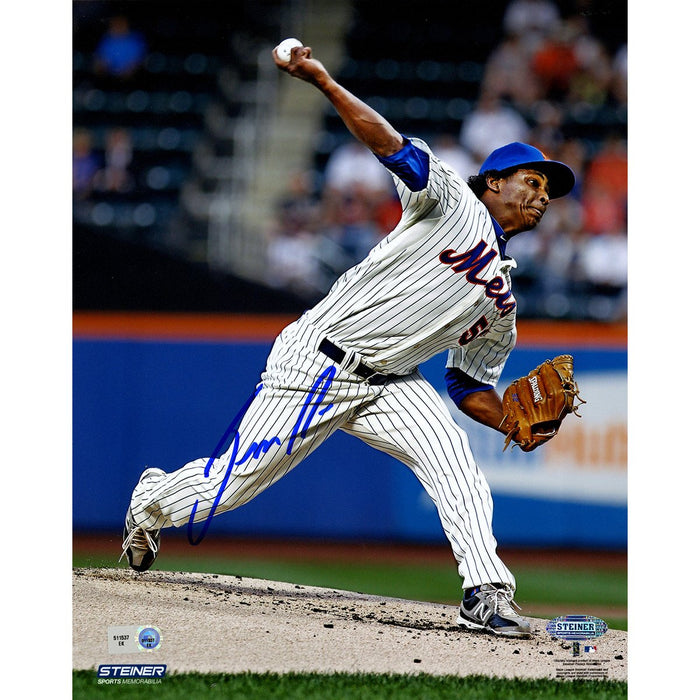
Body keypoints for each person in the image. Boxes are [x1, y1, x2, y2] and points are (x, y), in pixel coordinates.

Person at [121, 44, 576, 639]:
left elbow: (468, 385)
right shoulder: (452, 201)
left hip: (392, 385)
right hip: (319, 358)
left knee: (455, 462)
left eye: (549, 190)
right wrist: (322, 79)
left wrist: (514, 421)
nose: (542, 196)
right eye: (532, 181)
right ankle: (152, 500)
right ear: (493, 181)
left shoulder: (502, 304)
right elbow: (389, 144)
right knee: (228, 490)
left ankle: (486, 592)